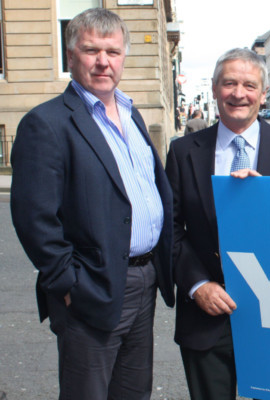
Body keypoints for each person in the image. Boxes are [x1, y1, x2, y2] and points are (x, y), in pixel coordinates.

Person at [10, 8, 174, 400]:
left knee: (133, 392)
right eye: (91, 50)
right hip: (91, 287)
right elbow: (35, 218)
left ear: (123, 58)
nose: (103, 61)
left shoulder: (131, 114)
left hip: (143, 279)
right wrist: (68, 284)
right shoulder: (46, 123)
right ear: (71, 56)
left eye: (113, 52)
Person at [165, 48, 270, 400]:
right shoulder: (183, 151)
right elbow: (168, 228)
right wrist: (197, 284)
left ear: (263, 94)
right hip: (206, 314)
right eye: (229, 83)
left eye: (249, 85)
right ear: (214, 89)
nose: (238, 93)